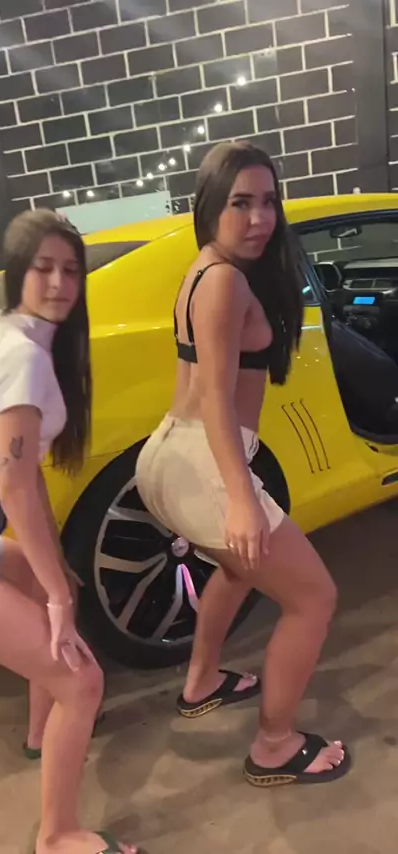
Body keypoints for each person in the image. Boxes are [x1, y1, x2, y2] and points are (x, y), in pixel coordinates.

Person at [0, 210, 138, 854]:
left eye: (71, 269)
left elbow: (25, 473)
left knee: (51, 603)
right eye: (43, 268)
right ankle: (58, 835)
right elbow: (14, 485)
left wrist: (55, 573)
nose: (60, 282)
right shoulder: (23, 355)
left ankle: (44, 735)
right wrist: (61, 594)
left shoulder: (21, 337)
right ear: (18, 273)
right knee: (83, 679)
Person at [136, 141, 351, 787]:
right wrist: (239, 497)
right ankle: (275, 746)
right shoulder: (225, 282)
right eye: (240, 203)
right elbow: (215, 398)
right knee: (314, 599)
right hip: (205, 459)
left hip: (169, 454)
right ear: (209, 206)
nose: (259, 218)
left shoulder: (205, 270)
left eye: (268, 202)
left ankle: (201, 681)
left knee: (235, 571)